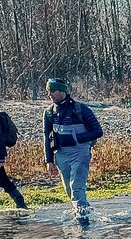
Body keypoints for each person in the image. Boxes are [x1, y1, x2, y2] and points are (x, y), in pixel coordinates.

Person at [43, 78, 102, 216]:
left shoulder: (81, 109)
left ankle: (82, 220)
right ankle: (86, 212)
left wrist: (77, 138)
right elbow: (47, 136)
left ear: (62, 91)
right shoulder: (49, 112)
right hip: (61, 154)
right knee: (69, 190)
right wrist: (49, 160)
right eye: (48, 91)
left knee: (76, 187)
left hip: (80, 152)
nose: (49, 95)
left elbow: (98, 131)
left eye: (52, 91)